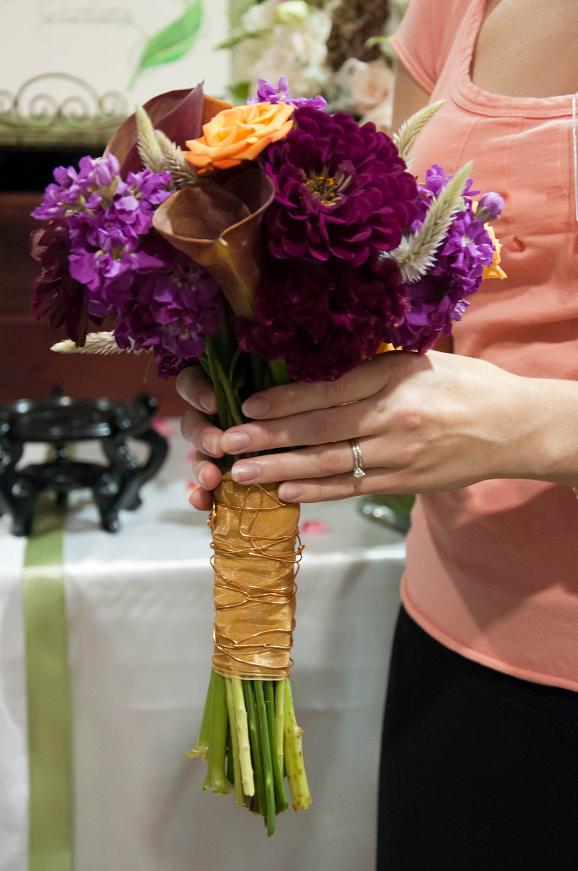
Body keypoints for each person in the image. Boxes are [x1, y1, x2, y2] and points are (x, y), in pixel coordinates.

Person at [177, 0, 578, 866]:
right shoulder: (459, 10)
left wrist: (539, 430)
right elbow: (401, 288)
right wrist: (249, 357)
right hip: (460, 645)